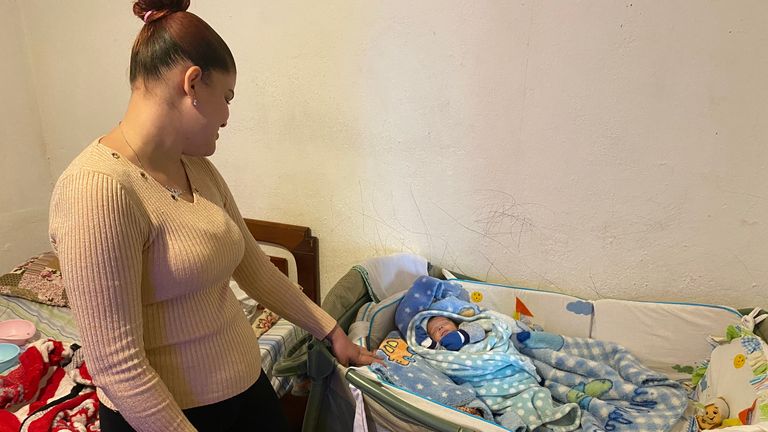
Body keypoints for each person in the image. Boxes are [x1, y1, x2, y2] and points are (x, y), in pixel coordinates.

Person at [48, 1, 379, 431]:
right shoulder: (97, 189)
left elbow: (255, 269)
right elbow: (118, 366)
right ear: (192, 83)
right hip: (169, 416)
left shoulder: (198, 169)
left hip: (245, 386)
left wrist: (331, 332)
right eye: (226, 97)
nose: (226, 116)